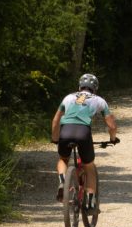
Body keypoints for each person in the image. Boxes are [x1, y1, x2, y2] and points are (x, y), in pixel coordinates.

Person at [51, 73, 119, 207]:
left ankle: (63, 181)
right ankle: (90, 202)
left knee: (63, 159)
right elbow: (112, 126)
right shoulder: (99, 100)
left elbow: (55, 120)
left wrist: (55, 138)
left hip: (66, 130)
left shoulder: (68, 97)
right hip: (83, 132)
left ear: (80, 86)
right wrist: (112, 139)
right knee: (89, 166)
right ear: (95, 88)